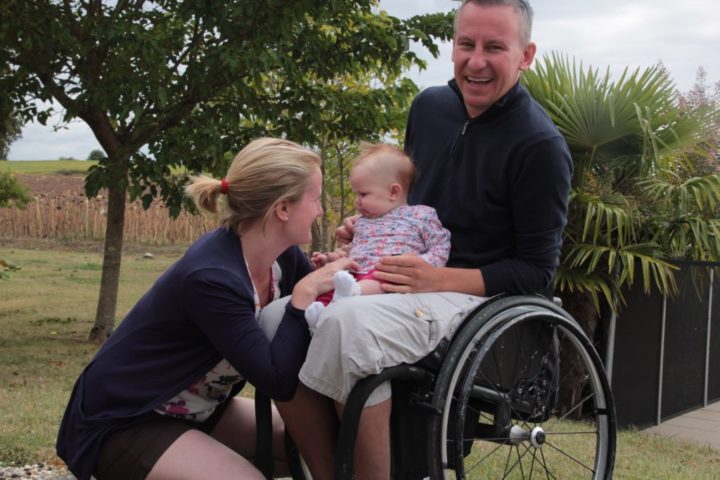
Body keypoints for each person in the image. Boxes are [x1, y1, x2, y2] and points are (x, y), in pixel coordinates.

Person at [278, 1, 573, 479]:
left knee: (350, 324)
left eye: (494, 47)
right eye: (466, 44)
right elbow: (409, 201)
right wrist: (371, 226)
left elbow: (537, 272)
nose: (476, 61)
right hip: (396, 279)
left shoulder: (539, 147)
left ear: (526, 55)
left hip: (471, 301)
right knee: (277, 317)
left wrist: (436, 278)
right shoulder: (429, 107)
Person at [55, 137, 359, 480]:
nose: (321, 210)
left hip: (195, 408)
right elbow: (277, 379)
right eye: (315, 199)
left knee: (309, 445)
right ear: (282, 209)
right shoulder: (213, 279)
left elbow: (327, 302)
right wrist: (303, 294)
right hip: (128, 418)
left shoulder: (281, 259)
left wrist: (355, 250)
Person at [305, 143, 451, 327]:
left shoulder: (421, 215)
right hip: (355, 273)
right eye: (356, 193)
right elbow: (354, 251)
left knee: (380, 276)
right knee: (335, 279)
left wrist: (423, 264)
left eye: (363, 194)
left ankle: (349, 295)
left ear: (393, 192)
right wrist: (331, 259)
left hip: (391, 276)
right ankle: (321, 312)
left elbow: (441, 245)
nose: (357, 201)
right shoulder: (362, 222)